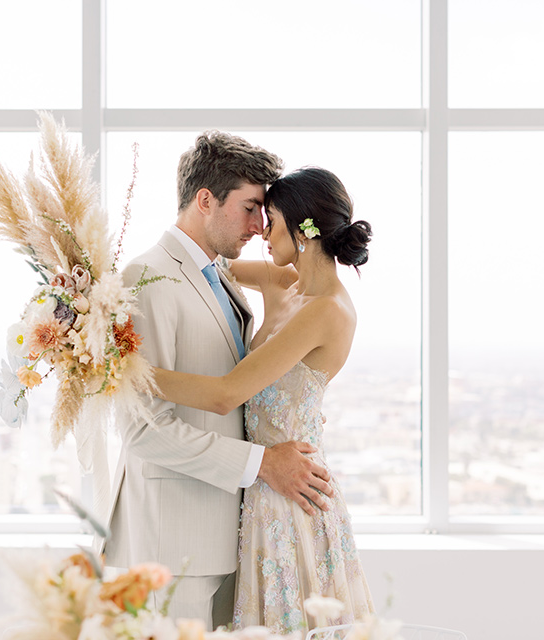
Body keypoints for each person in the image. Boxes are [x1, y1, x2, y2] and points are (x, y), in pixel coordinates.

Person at [104, 133, 335, 630]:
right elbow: (143, 430)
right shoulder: (147, 279)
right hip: (173, 539)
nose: (260, 224)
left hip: (232, 531)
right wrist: (263, 463)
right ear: (205, 200)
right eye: (251, 207)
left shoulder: (220, 273)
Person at [151, 166, 376, 632]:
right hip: (257, 492)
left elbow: (225, 394)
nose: (260, 233)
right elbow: (198, 264)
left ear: (304, 230)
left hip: (292, 501)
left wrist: (128, 373)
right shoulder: (280, 282)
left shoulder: (327, 311)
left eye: (269, 220)